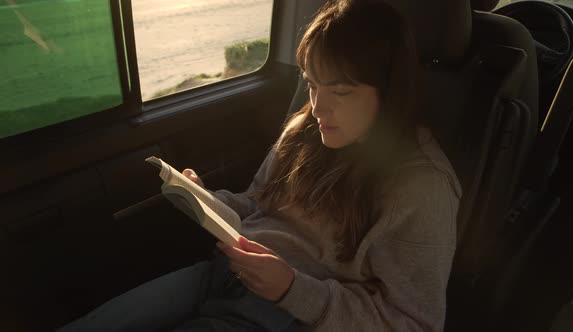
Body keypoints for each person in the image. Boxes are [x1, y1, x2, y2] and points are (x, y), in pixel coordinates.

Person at [58, 0, 461, 331]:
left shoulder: (421, 188)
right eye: (311, 84)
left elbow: (411, 323)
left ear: (388, 93)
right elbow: (257, 204)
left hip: (284, 314)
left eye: (339, 90)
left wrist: (291, 289)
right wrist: (207, 200)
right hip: (221, 274)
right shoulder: (307, 128)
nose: (319, 106)